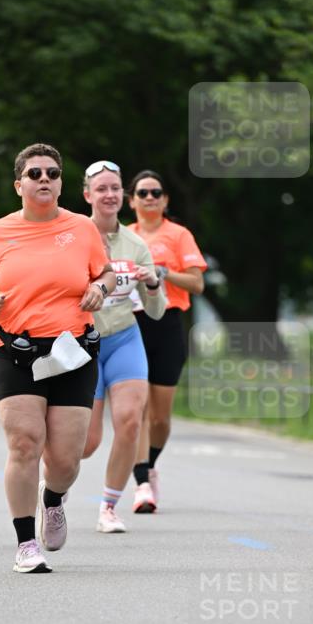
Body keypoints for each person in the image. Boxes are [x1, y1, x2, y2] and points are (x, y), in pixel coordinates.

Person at [0, 142, 116, 573]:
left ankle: (53, 497)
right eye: (34, 174)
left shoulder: (83, 229)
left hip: (72, 352)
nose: (43, 179)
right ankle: (26, 544)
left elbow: (106, 271)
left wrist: (100, 289)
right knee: (24, 443)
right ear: (18, 185)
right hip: (13, 351)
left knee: (67, 458)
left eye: (51, 173)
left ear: (62, 183)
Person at [81, 160, 167, 532]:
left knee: (130, 422)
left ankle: (108, 507)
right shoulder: (74, 235)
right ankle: (54, 487)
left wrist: (151, 284)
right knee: (86, 441)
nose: (110, 195)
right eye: (101, 188)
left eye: (115, 188)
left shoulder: (136, 244)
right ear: (87, 195)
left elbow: (158, 311)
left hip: (125, 338)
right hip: (84, 344)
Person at [127, 170, 207, 513]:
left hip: (169, 323)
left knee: (160, 416)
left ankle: (151, 465)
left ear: (165, 200)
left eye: (155, 192)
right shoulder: (123, 237)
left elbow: (197, 284)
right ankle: (142, 483)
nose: (149, 198)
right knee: (137, 410)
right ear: (131, 201)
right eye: (142, 193)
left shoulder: (179, 235)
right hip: (131, 325)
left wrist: (164, 272)